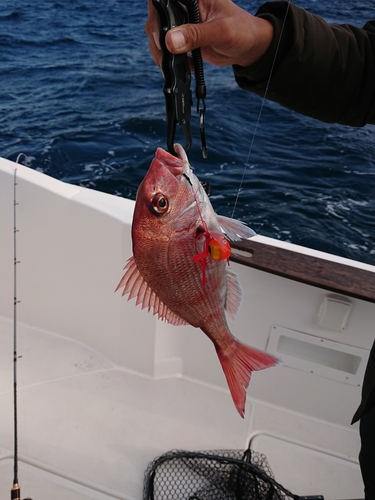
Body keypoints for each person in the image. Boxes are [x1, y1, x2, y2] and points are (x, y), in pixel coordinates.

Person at [146, 1, 375, 498]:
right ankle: (230, 348)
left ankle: (231, 350)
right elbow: (368, 68)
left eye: (158, 204)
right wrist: (261, 40)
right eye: (161, 202)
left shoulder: (190, 224)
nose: (161, 187)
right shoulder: (192, 225)